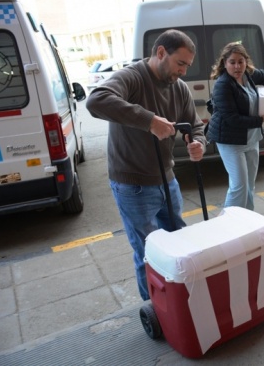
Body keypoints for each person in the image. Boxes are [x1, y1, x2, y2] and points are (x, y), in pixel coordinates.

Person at [86, 29, 207, 301]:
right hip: (133, 185)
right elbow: (96, 100)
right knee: (149, 254)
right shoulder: (133, 77)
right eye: (180, 63)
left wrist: (198, 143)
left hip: (168, 179)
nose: (184, 72)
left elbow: (196, 125)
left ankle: (182, 303)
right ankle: (158, 311)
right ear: (161, 52)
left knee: (178, 245)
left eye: (188, 65)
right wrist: (149, 120)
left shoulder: (179, 88)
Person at [207, 42, 264, 210]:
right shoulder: (223, 85)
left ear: (245, 62)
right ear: (225, 63)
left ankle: (247, 220)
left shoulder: (247, 75)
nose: (237, 66)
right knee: (239, 186)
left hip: (251, 139)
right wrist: (259, 120)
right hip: (231, 141)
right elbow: (231, 118)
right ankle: (229, 225)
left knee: (249, 185)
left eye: (240, 61)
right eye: (232, 62)